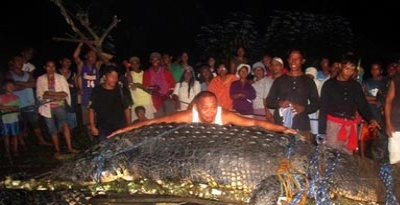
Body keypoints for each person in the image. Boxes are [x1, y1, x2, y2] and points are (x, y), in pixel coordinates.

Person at [108, 91, 297, 137]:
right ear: (197, 108)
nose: (210, 113)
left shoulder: (224, 116)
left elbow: (256, 123)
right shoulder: (188, 115)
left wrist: (283, 129)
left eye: (213, 107)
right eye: (205, 108)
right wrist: (123, 130)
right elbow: (154, 121)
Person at [318, 54, 379, 154]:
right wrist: (321, 132)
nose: (349, 72)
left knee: (347, 159)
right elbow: (323, 109)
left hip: (350, 127)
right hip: (333, 126)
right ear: (340, 66)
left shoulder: (355, 86)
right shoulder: (329, 85)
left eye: (352, 69)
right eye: (346, 68)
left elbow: (362, 105)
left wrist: (371, 119)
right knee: (330, 156)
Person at [265, 49, 320, 141]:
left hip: (301, 126)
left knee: (301, 154)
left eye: (297, 59)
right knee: (280, 154)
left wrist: (303, 108)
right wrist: (280, 103)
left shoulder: (309, 81)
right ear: (288, 60)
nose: (293, 61)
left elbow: (316, 103)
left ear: (303, 61)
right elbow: (269, 101)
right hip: (281, 127)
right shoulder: (279, 80)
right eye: (291, 58)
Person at [36, 60, 78, 157]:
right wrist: (56, 95)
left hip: (59, 106)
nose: (51, 69)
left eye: (53, 66)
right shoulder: (40, 79)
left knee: (64, 125)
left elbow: (65, 93)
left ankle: (70, 147)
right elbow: (40, 95)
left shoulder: (60, 78)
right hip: (46, 107)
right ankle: (57, 150)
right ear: (45, 67)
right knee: (52, 129)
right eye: (49, 66)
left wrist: (50, 94)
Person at [89, 66, 131, 141]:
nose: (115, 79)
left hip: (120, 127)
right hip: (103, 128)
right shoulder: (97, 90)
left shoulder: (122, 90)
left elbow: (127, 108)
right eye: (112, 76)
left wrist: (129, 126)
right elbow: (91, 109)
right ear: (105, 77)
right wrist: (92, 126)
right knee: (105, 150)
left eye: (116, 77)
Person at [0, 79, 21, 157]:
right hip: (5, 120)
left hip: (14, 119)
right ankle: (7, 151)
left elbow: (17, 108)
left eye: (12, 86)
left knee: (15, 135)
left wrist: (6, 108)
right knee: (6, 136)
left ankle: (15, 150)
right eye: (9, 86)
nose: (11, 87)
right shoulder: (1, 97)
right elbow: (1, 108)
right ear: (4, 87)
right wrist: (10, 108)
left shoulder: (16, 97)